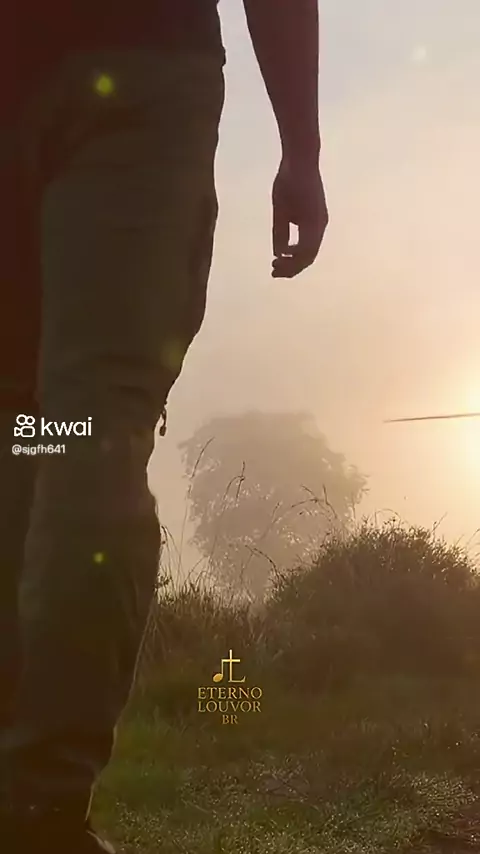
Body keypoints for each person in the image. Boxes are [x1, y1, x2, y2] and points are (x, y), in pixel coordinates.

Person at [0, 1, 329, 851]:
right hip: (137, 68)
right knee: (88, 428)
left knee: (24, 429)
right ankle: (39, 807)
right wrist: (300, 147)